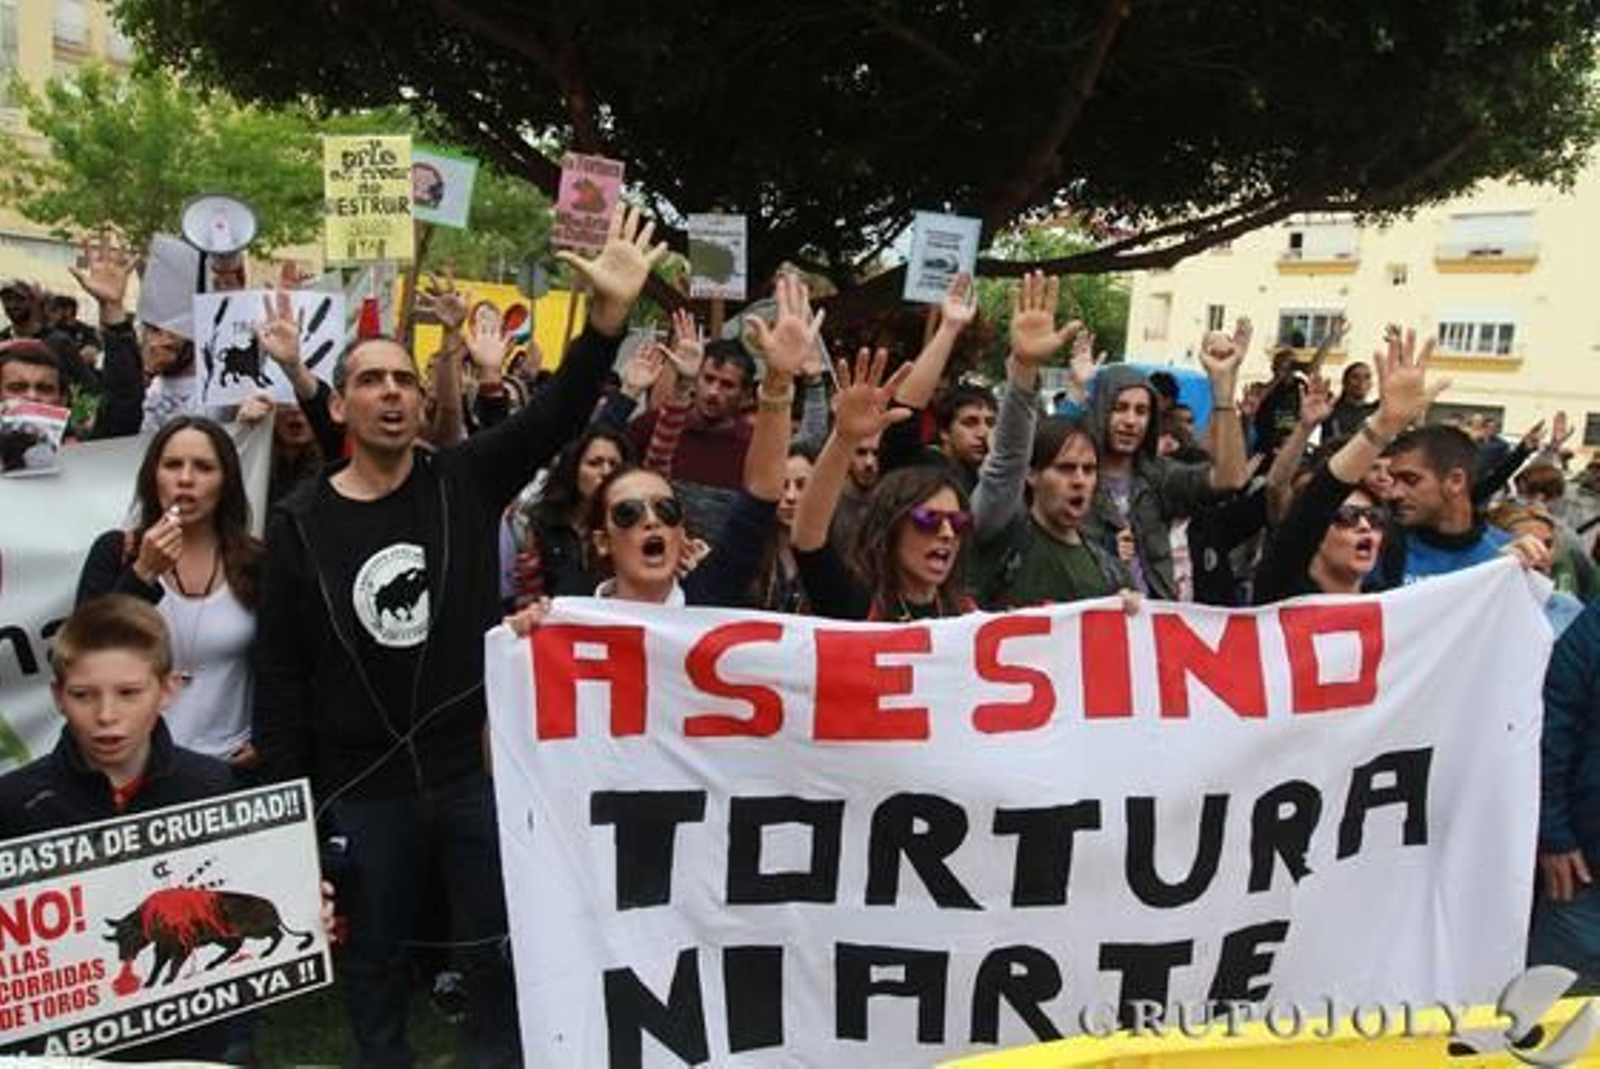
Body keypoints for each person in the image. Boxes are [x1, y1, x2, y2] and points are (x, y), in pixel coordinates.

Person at [251, 203, 664, 1067]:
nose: (393, 393)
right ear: (344, 402)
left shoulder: (463, 479)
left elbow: (553, 417)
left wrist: (605, 326)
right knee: (375, 961)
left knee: (491, 950)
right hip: (359, 789)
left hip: (469, 772)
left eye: (403, 379)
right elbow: (282, 678)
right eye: (372, 380)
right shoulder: (300, 524)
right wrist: (290, 821)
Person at [0, 596, 236, 1061]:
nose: (107, 715)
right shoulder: (14, 802)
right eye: (84, 694)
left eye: (129, 693)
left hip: (188, 1038)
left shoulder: (215, 787)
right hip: (58, 1045)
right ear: (58, 697)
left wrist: (307, 899)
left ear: (167, 690)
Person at [75, 416, 263, 763]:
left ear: (226, 482)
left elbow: (286, 663)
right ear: (152, 476)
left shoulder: (254, 562)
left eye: (204, 467)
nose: (186, 479)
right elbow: (85, 653)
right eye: (173, 465)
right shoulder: (117, 551)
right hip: (136, 767)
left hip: (230, 768)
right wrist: (142, 573)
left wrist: (267, 736)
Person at [971, 271, 1129, 608]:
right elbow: (1007, 462)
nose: (1079, 480)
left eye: (1089, 470)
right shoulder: (1002, 535)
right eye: (1066, 468)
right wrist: (1025, 370)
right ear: (1032, 473)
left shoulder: (1111, 574)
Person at [792, 349, 987, 621]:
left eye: (958, 522)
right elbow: (807, 537)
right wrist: (844, 438)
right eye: (929, 519)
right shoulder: (856, 599)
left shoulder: (966, 616)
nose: (947, 533)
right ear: (890, 525)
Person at [1253, 328, 1443, 601]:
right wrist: (1382, 426)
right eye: (1347, 516)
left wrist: (1511, 565)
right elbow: (1313, 493)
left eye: (1375, 519)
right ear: (1314, 530)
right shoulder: (1282, 589)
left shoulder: (1392, 607)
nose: (1365, 526)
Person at [1082, 321, 1250, 600]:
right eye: (1120, 408)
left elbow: (1231, 478)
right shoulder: (1071, 476)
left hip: (1152, 628)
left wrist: (1222, 390)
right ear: (1100, 410)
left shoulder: (1157, 475)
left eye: (1141, 411)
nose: (1131, 421)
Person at [1531, 599, 1600, 985]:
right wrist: (1554, 836)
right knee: (1555, 1032)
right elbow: (1549, 734)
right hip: (1585, 882)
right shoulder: (1590, 632)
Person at [508, 425, 633, 604]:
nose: (606, 471)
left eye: (614, 464)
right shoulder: (542, 523)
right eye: (595, 463)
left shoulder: (632, 524)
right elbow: (528, 600)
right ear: (573, 469)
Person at [1323, 360, 1376, 441]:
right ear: (1345, 382)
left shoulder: (1374, 410)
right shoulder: (1331, 411)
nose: (1362, 381)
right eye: (1355, 377)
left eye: (1367, 377)